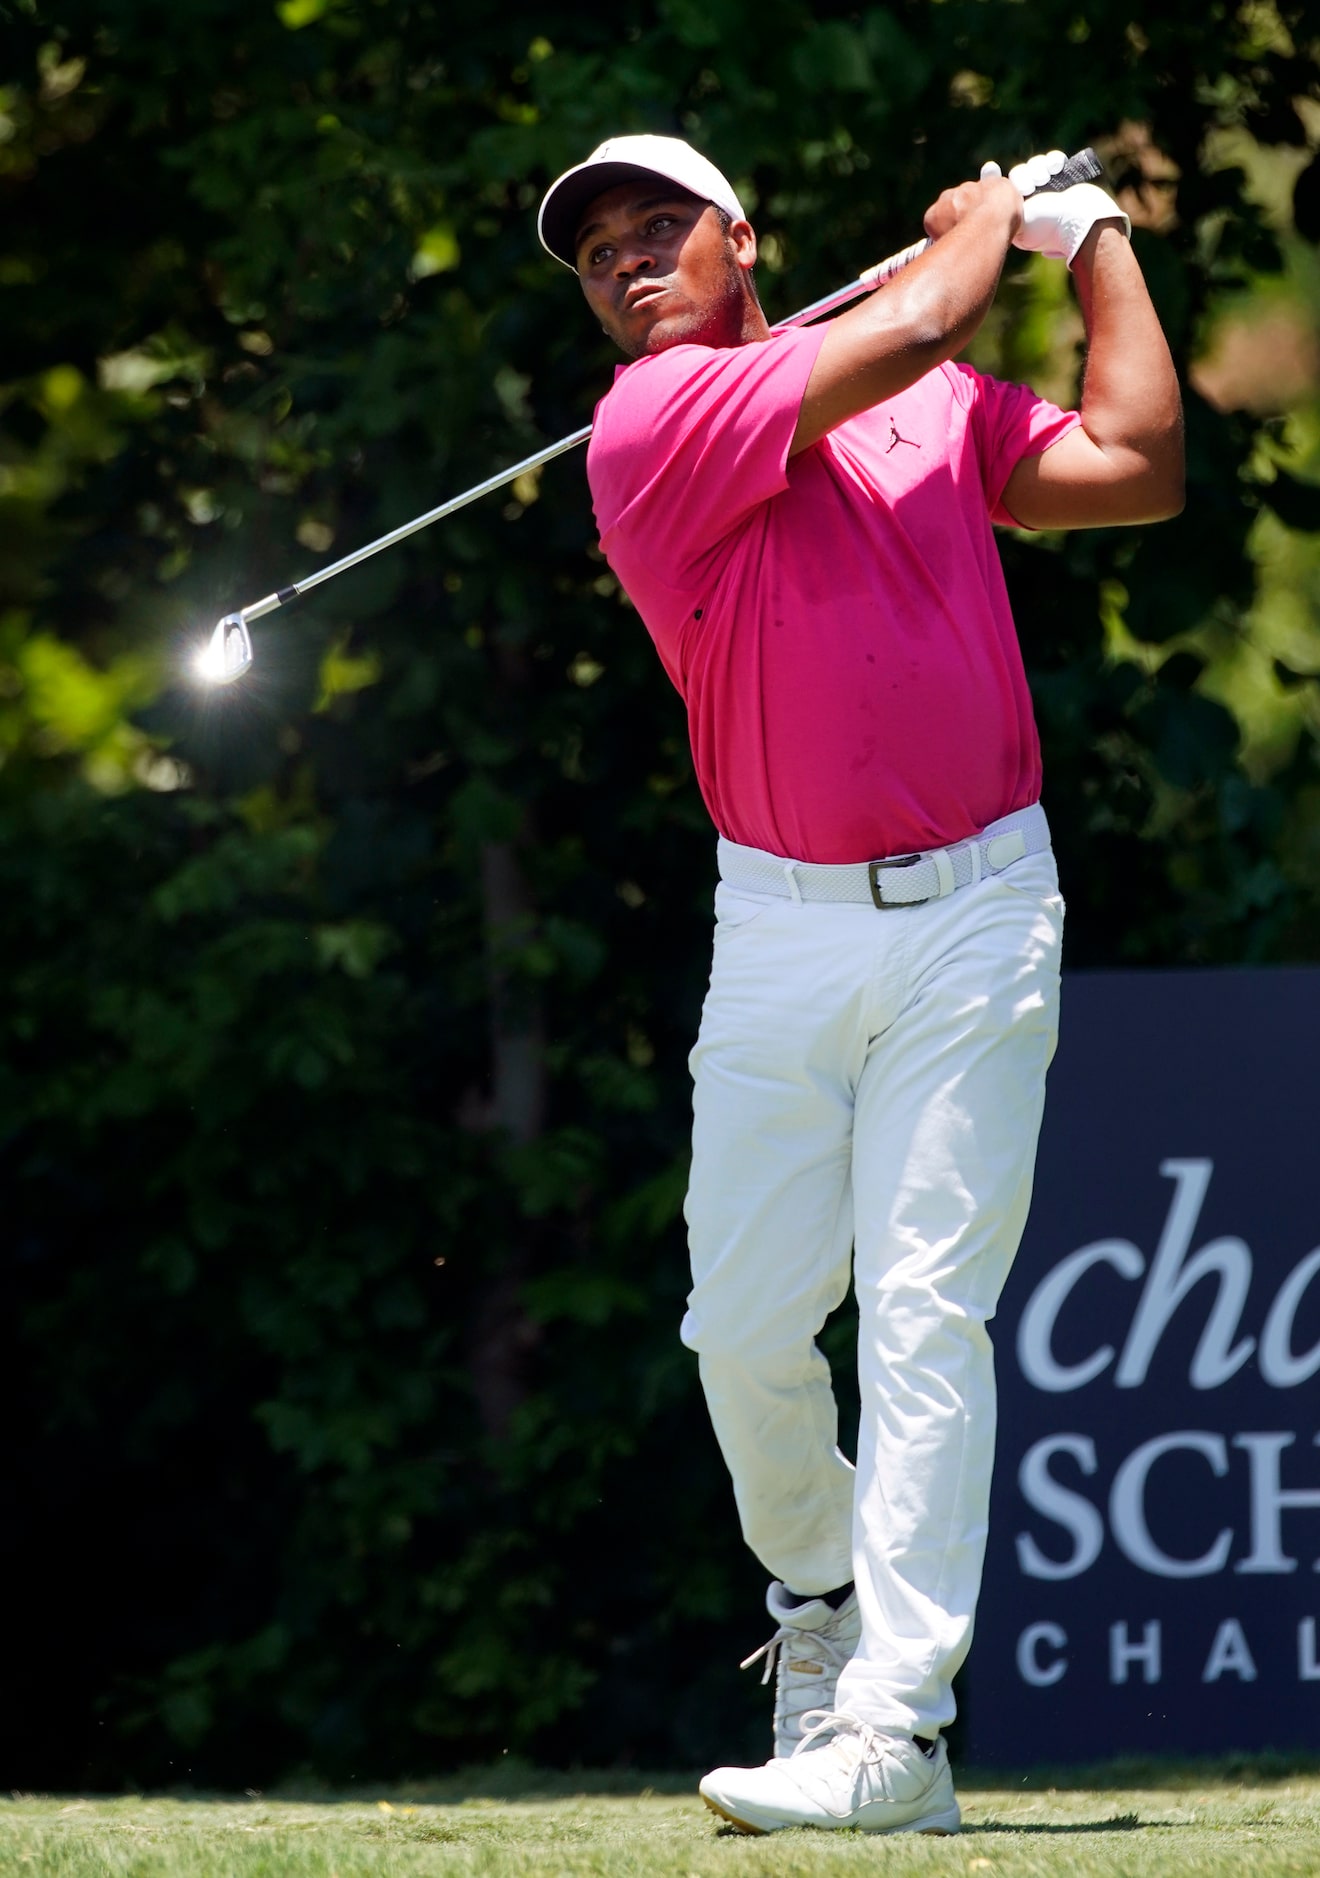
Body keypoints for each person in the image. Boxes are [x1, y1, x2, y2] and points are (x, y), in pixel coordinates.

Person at [537, 133, 1182, 1835]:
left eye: (659, 222)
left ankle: (897, 1728)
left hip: (981, 909)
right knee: (742, 1329)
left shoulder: (934, 397)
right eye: (596, 248)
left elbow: (1136, 460)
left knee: (919, 1314)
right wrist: (980, 233)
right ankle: (817, 1604)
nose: (626, 257)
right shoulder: (648, 426)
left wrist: (1094, 236)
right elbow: (905, 329)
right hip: (782, 930)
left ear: (745, 234)